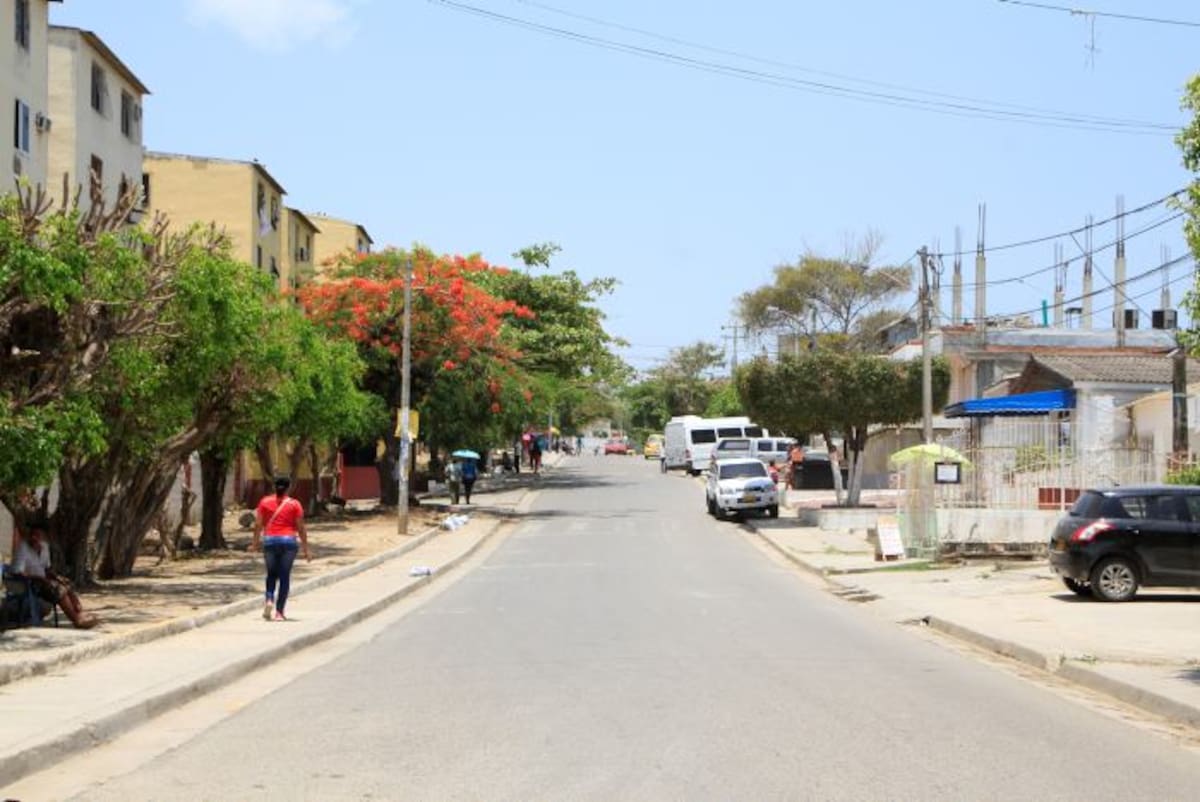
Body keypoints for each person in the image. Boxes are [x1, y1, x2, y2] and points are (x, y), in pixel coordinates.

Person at [9, 519, 98, 629]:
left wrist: (57, 577)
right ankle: (76, 620)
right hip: (29, 583)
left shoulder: (45, 547)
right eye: (33, 534)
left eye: (38, 535)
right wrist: (40, 578)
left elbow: (46, 568)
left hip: (43, 580)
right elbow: (19, 572)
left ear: (43, 537)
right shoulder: (23, 548)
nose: (34, 538)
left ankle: (81, 614)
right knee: (60, 591)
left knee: (67, 585)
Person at [252, 476, 310, 622]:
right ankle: (279, 612)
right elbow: (301, 528)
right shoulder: (295, 504)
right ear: (289, 487)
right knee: (284, 576)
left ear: (274, 486)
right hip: (289, 542)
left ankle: (269, 599)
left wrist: (255, 543)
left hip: (270, 541)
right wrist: (306, 549)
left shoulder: (264, 502)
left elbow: (258, 524)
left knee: (271, 574)